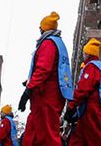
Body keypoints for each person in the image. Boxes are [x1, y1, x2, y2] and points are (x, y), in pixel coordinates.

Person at [21, 12, 73, 146]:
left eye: (40, 27)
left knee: (47, 136)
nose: (39, 30)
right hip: (48, 96)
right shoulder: (57, 43)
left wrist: (29, 89)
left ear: (44, 28)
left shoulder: (48, 43)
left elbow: (43, 69)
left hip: (46, 97)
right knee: (32, 134)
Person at [66, 39, 101, 146]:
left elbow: (83, 89)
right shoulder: (97, 66)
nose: (83, 54)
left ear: (88, 53)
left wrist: (72, 106)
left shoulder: (91, 67)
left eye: (84, 52)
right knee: (78, 140)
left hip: (93, 111)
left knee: (100, 140)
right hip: (89, 111)